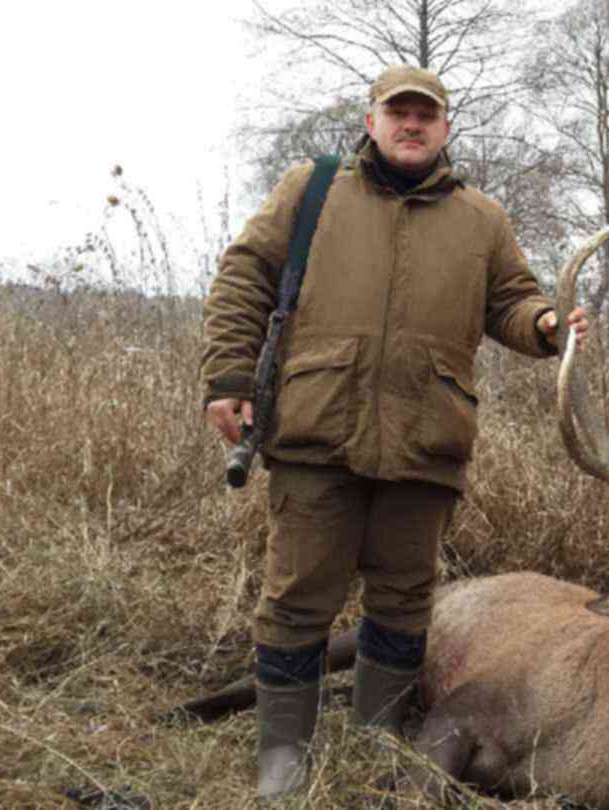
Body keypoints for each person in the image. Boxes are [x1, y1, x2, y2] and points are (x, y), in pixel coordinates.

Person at [200, 65, 588, 799]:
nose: (411, 125)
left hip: (424, 444)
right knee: (296, 599)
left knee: (405, 603)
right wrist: (226, 379)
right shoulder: (311, 192)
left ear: (446, 128)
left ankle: (378, 741)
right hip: (317, 433)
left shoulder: (481, 218)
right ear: (372, 121)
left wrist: (542, 326)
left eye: (425, 115)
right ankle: (285, 757)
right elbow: (243, 277)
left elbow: (511, 299)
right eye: (397, 113)